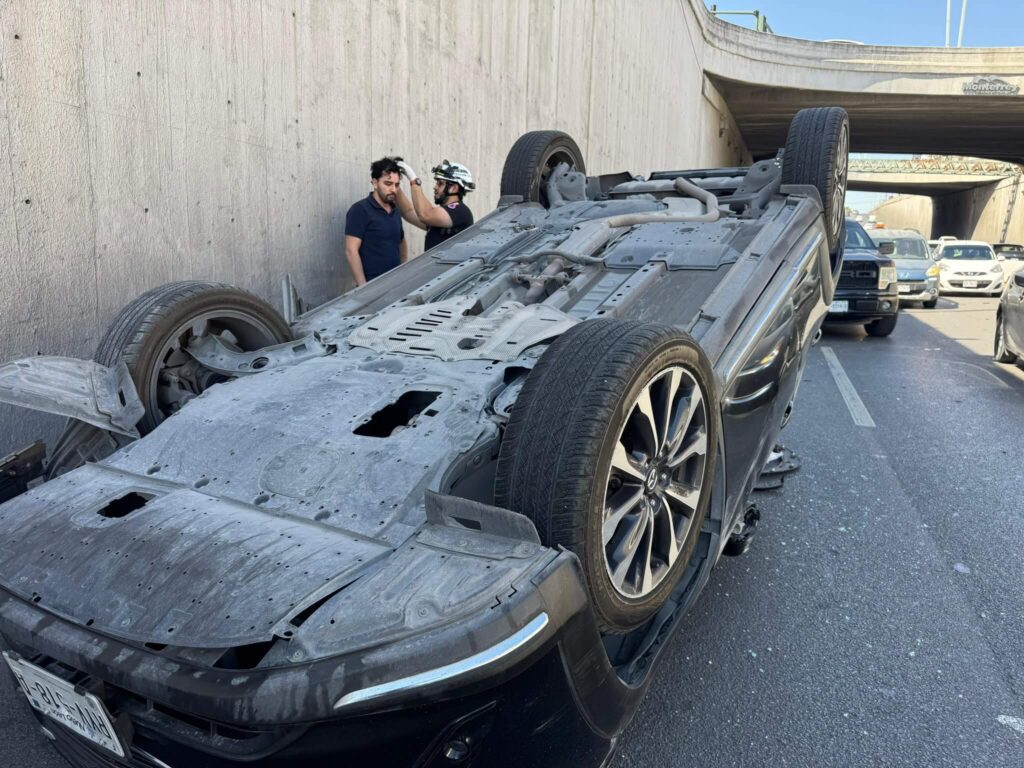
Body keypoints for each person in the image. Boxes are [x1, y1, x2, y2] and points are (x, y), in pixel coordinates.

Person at [344, 157, 407, 286]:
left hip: (395, 284)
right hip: (372, 287)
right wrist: (363, 287)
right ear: (375, 183)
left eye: (397, 185)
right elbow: (351, 250)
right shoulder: (360, 210)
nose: (394, 190)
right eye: (388, 184)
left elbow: (401, 241)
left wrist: (404, 269)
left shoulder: (396, 211)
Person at [394, 159, 474, 250]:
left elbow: (425, 214)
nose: (435, 187)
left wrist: (414, 180)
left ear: (454, 188)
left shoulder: (460, 211)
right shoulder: (444, 216)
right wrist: (395, 187)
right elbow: (408, 212)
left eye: (440, 184)